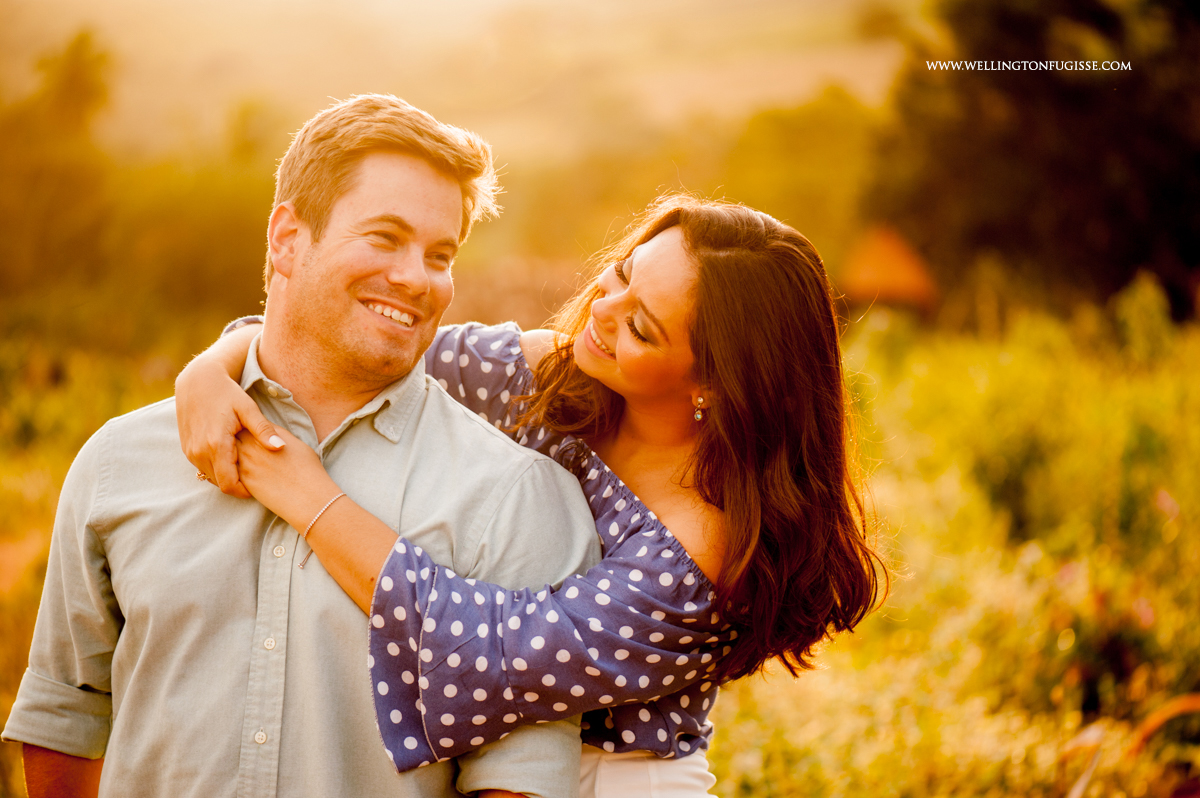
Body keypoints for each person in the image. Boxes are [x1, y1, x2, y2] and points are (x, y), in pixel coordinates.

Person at [177, 193, 887, 796]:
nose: (603, 311)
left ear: (715, 383)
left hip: (605, 779)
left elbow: (488, 651)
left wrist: (310, 498)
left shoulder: (701, 542)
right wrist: (213, 366)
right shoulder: (551, 371)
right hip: (486, 763)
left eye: (641, 326)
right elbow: (362, 353)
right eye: (619, 275)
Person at [1, 94, 602, 798]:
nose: (417, 277)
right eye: (384, 237)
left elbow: (516, 783)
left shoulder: (515, 498)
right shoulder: (119, 463)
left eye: (441, 254)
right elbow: (68, 723)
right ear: (286, 237)